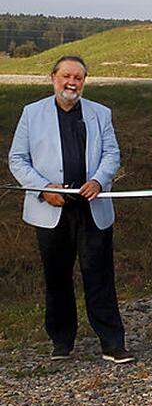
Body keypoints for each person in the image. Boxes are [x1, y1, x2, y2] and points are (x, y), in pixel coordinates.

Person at [8, 56, 133, 363]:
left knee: (100, 275)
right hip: (51, 210)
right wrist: (43, 188)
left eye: (78, 77)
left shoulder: (100, 113)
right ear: (53, 78)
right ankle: (62, 342)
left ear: (84, 82)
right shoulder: (32, 113)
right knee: (57, 276)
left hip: (92, 207)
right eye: (66, 76)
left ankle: (112, 343)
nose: (72, 82)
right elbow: (17, 159)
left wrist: (100, 180)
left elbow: (111, 153)